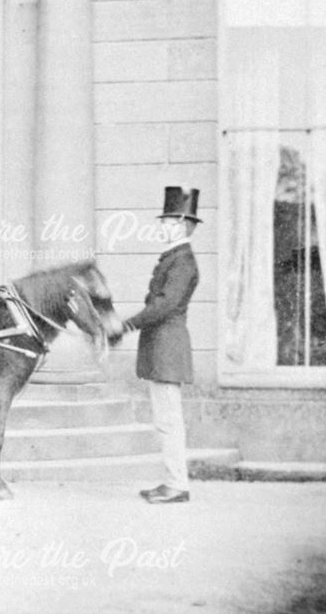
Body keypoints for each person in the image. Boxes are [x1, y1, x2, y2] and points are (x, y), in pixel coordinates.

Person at [122, 186, 201, 504]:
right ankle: (172, 481)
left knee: (169, 421)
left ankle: (177, 485)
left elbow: (165, 306)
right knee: (165, 420)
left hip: (168, 347)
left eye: (168, 222)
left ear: (182, 226)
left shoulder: (182, 262)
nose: (162, 227)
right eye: (163, 222)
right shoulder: (175, 258)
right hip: (162, 347)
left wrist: (129, 323)